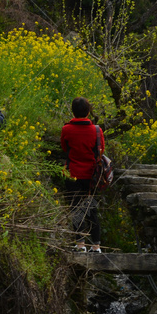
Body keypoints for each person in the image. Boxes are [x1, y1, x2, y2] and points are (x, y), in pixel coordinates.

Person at [60, 97, 103, 252]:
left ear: (73, 111)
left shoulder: (66, 129)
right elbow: (100, 150)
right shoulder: (97, 130)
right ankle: (96, 246)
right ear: (88, 111)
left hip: (73, 174)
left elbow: (65, 148)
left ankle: (80, 245)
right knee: (91, 209)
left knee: (76, 208)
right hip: (92, 176)